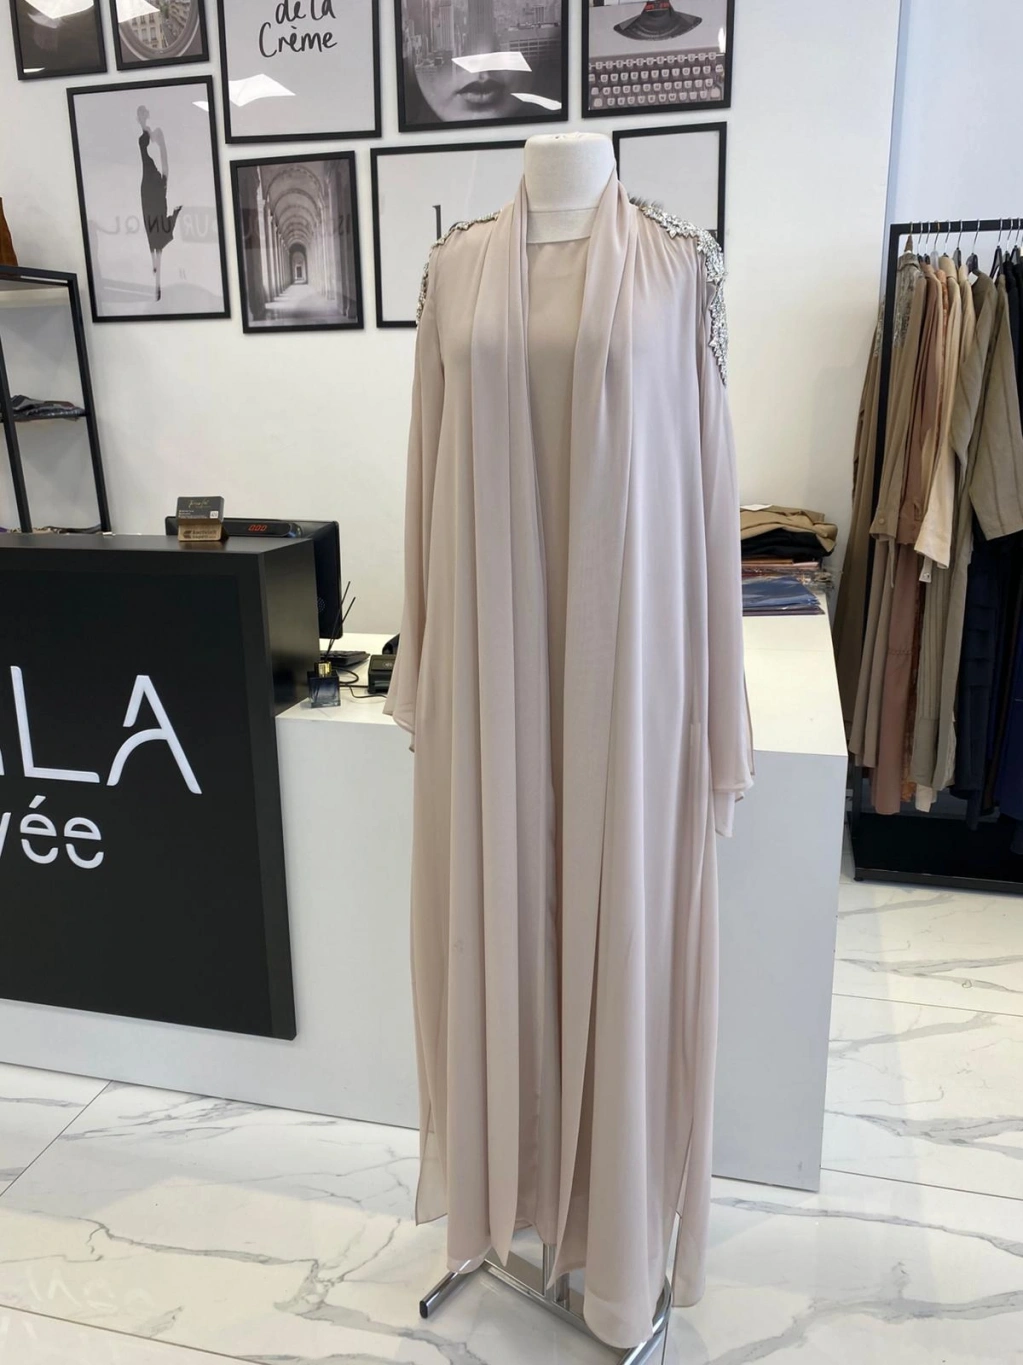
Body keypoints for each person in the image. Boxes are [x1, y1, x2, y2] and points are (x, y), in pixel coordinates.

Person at [137, 105, 181, 302]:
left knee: (157, 230)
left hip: (154, 186)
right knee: (152, 230)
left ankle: (157, 280)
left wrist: (164, 183)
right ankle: (155, 276)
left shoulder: (156, 136)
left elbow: (164, 163)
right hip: (149, 187)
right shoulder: (147, 134)